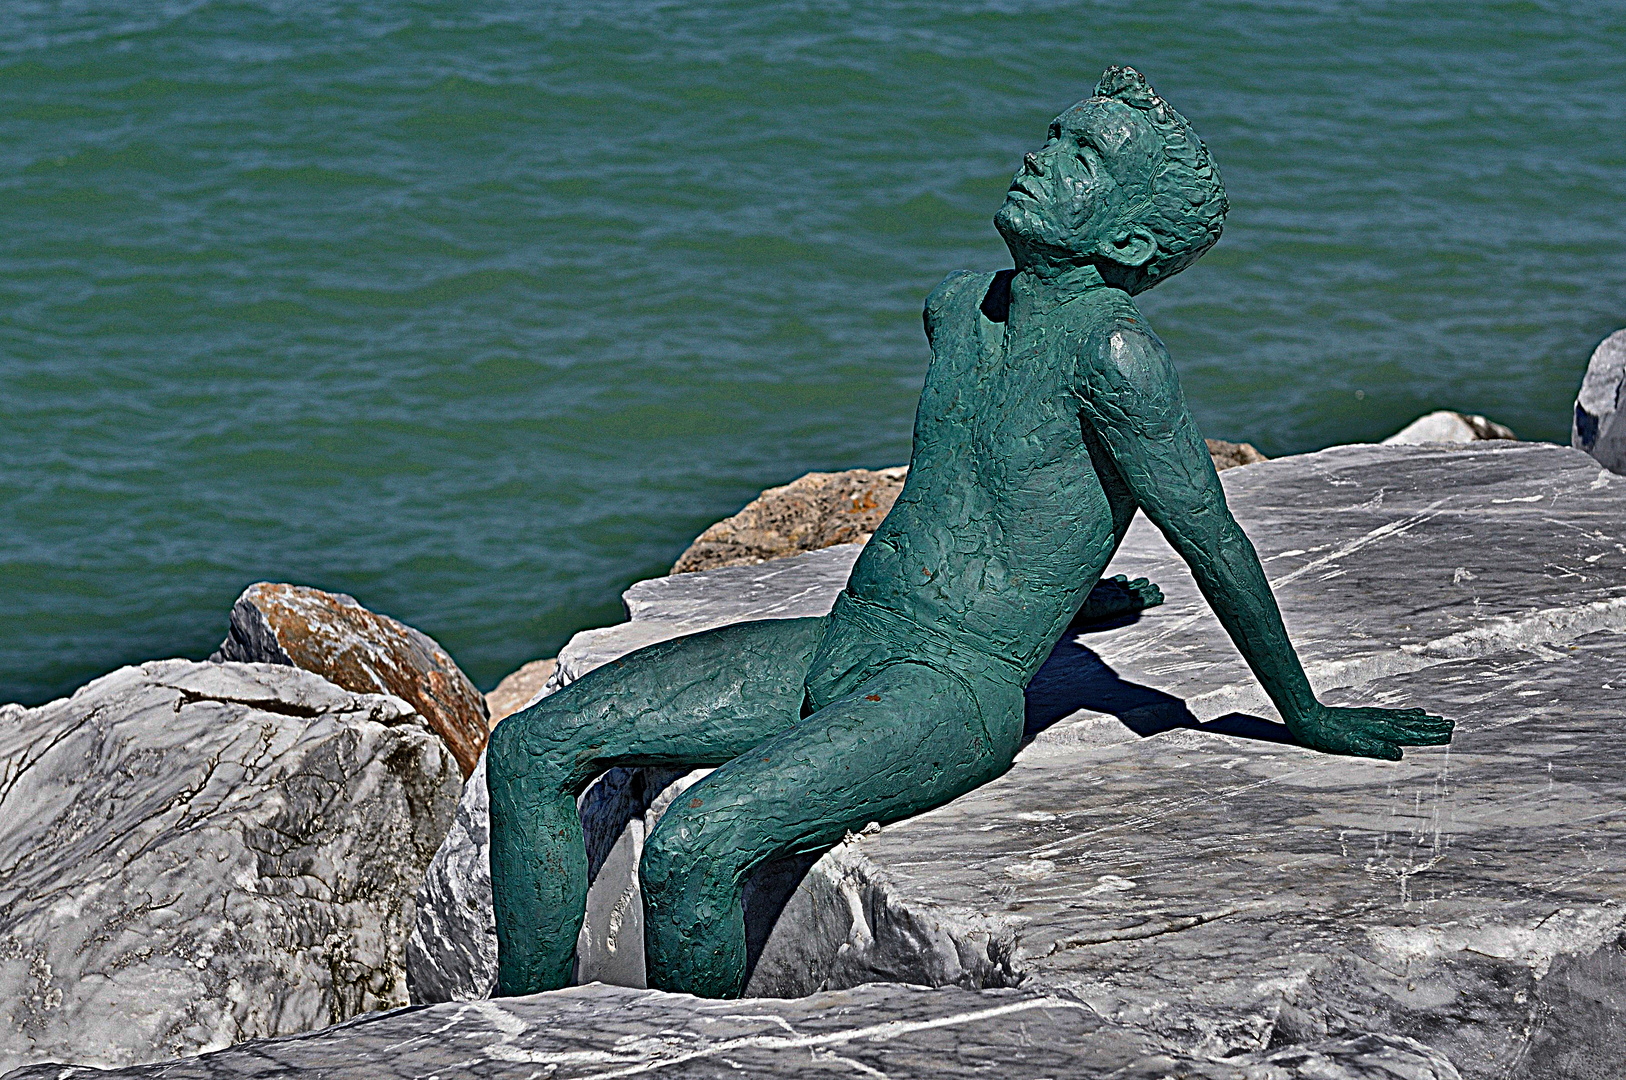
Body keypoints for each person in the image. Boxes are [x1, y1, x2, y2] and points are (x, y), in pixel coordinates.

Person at [487, 66, 1452, 1000]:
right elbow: (1001, 496)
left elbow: (1214, 541)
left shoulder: (1117, 360)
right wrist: (1080, 597)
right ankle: (519, 1029)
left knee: (696, 844)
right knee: (529, 748)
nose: (1042, 157)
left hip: (950, 689)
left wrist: (1307, 713)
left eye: (1083, 158)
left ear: (1128, 240)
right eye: (1055, 135)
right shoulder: (961, 307)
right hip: (849, 636)